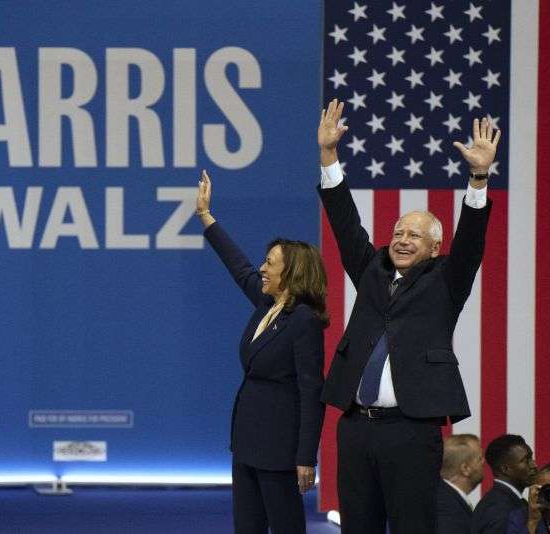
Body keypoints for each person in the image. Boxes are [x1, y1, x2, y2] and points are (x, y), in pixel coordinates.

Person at [316, 98, 500, 533]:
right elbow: (345, 224)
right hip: (356, 428)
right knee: (357, 525)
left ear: (434, 247)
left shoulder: (446, 281)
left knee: (412, 525)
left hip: (411, 430)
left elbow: (471, 241)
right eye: (398, 231)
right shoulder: (372, 270)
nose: (401, 239)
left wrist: (478, 177)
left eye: (413, 235)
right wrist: (329, 156)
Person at [196, 169, 328, 534]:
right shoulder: (266, 305)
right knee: (248, 527)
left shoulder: (303, 320)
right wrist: (207, 218)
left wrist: (306, 457)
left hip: (280, 448)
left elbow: (311, 392)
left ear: (292, 273)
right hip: (248, 441)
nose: (262, 268)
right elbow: (238, 267)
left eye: (270, 263)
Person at [472, 434, 538, 533]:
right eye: (526, 460)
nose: (534, 465)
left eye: (531, 458)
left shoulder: (504, 502)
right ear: (505, 469)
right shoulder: (500, 509)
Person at [439, 434, 485, 534]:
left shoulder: (446, 500)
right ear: (465, 469)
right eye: (479, 459)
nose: (484, 462)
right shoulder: (448, 511)